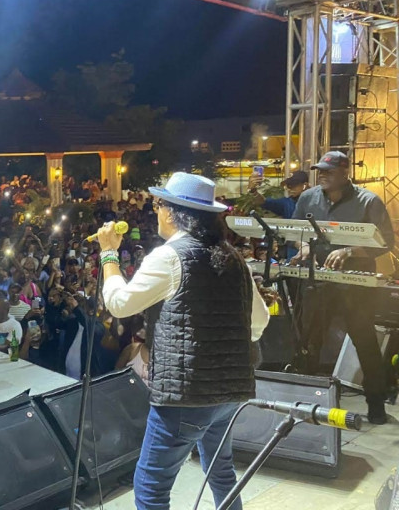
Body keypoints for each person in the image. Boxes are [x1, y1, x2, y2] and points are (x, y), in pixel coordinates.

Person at [97, 172, 270, 510]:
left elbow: (119, 304)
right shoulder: (234, 258)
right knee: (221, 474)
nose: (155, 211)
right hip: (229, 393)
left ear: (174, 212)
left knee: (151, 490)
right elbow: (259, 322)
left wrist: (108, 258)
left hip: (185, 397)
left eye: (159, 204)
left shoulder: (168, 256)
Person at [291, 151, 394, 424]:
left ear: (345, 172)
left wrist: (349, 250)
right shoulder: (308, 198)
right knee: (309, 343)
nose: (322, 174)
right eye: (319, 170)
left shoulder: (368, 200)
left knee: (364, 342)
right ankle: (305, 407)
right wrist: (303, 249)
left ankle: (376, 408)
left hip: (356, 286)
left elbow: (387, 242)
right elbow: (295, 232)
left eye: (328, 171)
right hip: (318, 282)